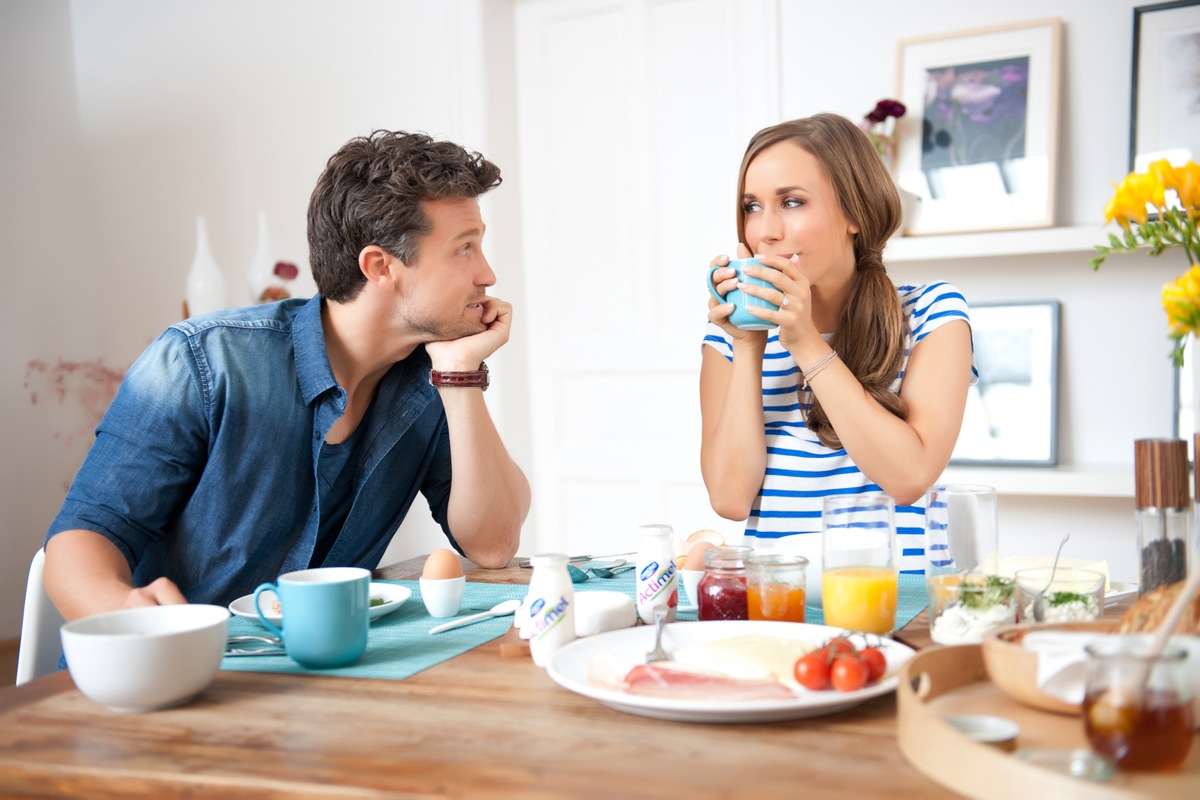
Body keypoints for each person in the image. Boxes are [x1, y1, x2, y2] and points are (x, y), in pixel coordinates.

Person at [44, 130, 531, 620]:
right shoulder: (205, 362)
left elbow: (491, 546)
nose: (487, 273)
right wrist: (132, 617)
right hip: (176, 667)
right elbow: (84, 537)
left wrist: (461, 376)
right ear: (381, 266)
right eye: (464, 248)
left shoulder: (430, 381)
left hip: (312, 672)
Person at [700, 113, 975, 572]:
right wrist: (748, 346)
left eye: (791, 202)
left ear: (853, 211)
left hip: (902, 599)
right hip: (780, 596)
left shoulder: (932, 313)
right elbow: (730, 498)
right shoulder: (729, 336)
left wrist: (806, 342)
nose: (765, 230)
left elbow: (908, 478)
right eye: (752, 206)